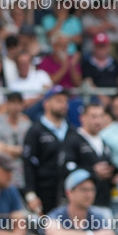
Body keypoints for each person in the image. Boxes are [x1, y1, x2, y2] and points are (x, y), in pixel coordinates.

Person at [60, 101, 117, 209]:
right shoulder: (73, 139)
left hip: (104, 201)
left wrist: (116, 173)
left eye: (101, 116)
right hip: (80, 205)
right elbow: (65, 168)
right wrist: (92, 172)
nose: (98, 121)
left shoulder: (103, 140)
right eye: (93, 117)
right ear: (83, 118)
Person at [23, 86, 71, 215]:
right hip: (44, 191)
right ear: (46, 103)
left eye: (65, 101)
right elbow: (28, 163)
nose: (63, 105)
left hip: (69, 192)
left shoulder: (72, 130)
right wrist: (30, 193)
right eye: (58, 100)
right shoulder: (35, 131)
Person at [0, 92, 31, 191]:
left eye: (18, 103)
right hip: (5, 175)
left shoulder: (28, 126)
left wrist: (6, 148)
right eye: (12, 102)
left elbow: (30, 150)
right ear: (7, 104)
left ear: (22, 105)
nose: (15, 106)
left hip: (25, 175)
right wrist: (19, 150)